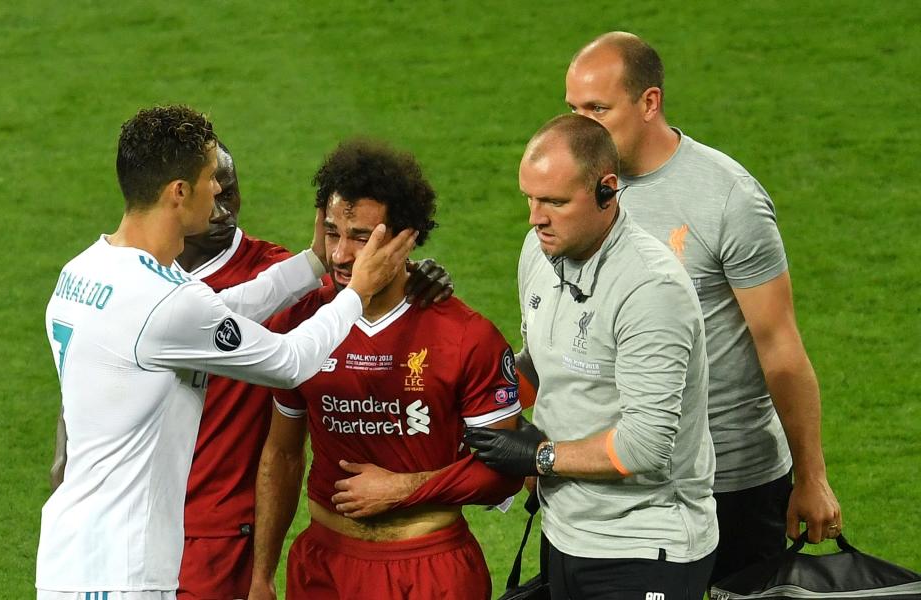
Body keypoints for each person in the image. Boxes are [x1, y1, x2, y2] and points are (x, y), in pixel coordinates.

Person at [47, 140, 454, 600]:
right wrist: (358, 292)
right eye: (211, 182)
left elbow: (224, 308)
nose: (221, 193)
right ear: (180, 192)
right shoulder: (167, 299)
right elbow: (289, 361)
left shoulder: (86, 270)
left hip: (79, 545)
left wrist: (328, 262)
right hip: (120, 564)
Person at [563, 32, 842, 581]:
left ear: (650, 102)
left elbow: (779, 346)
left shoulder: (726, 198)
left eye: (597, 108)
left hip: (732, 482)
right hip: (618, 478)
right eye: (572, 108)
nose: (580, 127)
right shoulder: (575, 193)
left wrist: (811, 476)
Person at [249, 139, 524, 600]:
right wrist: (261, 575)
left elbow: (503, 473)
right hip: (325, 567)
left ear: (405, 238)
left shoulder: (465, 337)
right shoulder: (304, 325)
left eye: (360, 236)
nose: (339, 255)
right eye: (333, 233)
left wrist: (402, 489)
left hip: (429, 569)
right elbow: (281, 455)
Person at [465, 114, 717, 600]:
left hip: (644, 546)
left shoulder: (650, 289)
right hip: (564, 532)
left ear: (607, 190)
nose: (535, 218)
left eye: (555, 202)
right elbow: (541, 365)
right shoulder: (539, 251)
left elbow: (646, 445)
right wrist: (471, 398)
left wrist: (539, 457)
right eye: (531, 199)